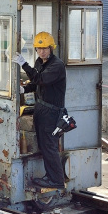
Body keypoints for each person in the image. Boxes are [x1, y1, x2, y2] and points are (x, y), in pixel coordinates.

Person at [15, 31, 67, 189]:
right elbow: (36, 83)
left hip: (52, 112)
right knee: (44, 145)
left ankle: (56, 180)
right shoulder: (39, 62)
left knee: (49, 146)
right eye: (39, 48)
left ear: (51, 48)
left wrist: (24, 64)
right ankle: (49, 176)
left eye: (45, 48)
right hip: (41, 109)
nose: (42, 51)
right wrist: (26, 89)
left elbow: (41, 79)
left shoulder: (56, 65)